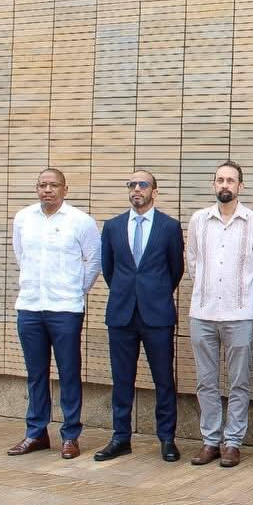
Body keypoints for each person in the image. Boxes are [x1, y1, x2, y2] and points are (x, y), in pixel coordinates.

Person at [8, 168, 101, 459]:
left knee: (69, 372)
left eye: (54, 185)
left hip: (65, 309)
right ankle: (36, 433)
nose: (47, 190)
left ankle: (70, 434)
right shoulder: (23, 219)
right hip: (30, 306)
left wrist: (76, 291)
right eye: (42, 185)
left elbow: (94, 260)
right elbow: (20, 255)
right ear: (37, 189)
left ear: (65, 189)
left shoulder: (81, 221)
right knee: (36, 374)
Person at [96, 170, 185, 463]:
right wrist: (128, 292)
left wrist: (154, 293)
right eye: (132, 184)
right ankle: (120, 438)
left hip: (157, 315)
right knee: (122, 379)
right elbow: (109, 270)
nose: (137, 189)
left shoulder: (169, 227)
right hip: (121, 314)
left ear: (154, 192)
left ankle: (167, 439)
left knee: (163, 380)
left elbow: (176, 270)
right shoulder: (112, 226)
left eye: (143, 184)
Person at [186, 161, 253, 467]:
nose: (225, 185)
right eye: (220, 179)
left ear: (240, 186)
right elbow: (193, 262)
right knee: (206, 381)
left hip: (239, 314)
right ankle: (210, 441)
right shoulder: (199, 220)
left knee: (239, 381)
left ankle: (233, 442)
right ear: (213, 185)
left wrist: (240, 293)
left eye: (231, 180)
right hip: (203, 312)